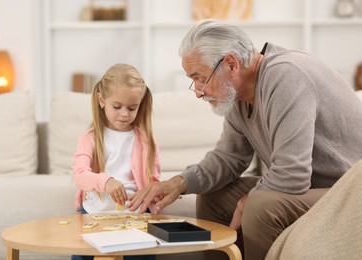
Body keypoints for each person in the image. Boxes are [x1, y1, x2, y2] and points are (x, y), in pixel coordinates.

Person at [128, 19, 362, 260]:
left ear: (231, 63)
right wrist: (178, 183)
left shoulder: (286, 75)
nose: (198, 91)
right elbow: (227, 159)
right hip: (313, 188)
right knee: (214, 196)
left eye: (200, 78)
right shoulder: (238, 95)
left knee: (259, 206)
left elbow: (292, 173)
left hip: (347, 192)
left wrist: (249, 199)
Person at [72, 63, 160, 260]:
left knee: (143, 256)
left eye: (132, 108)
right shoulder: (91, 137)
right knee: (81, 255)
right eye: (117, 106)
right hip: (95, 213)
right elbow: (79, 176)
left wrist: (156, 193)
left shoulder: (145, 139)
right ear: (101, 100)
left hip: (135, 216)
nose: (124, 114)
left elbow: (153, 179)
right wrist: (106, 182)